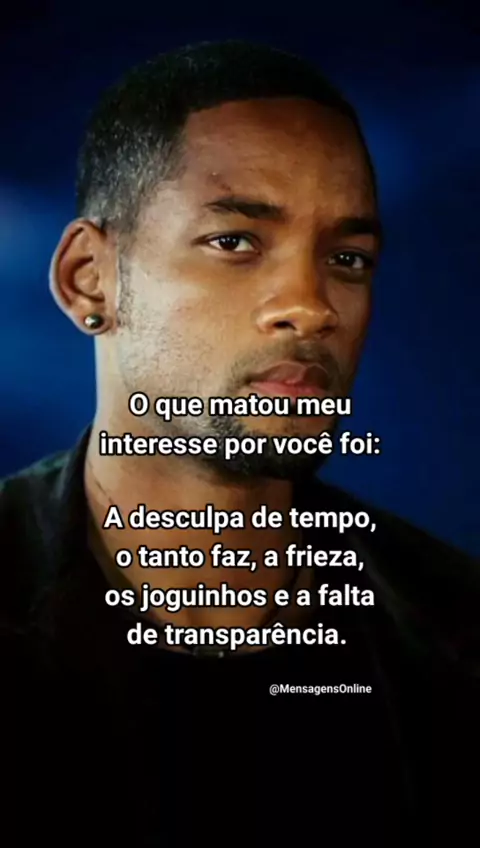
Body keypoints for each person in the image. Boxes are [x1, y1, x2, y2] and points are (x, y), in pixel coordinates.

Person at [1, 39, 478, 846]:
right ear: (90, 278)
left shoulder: (456, 640)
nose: (310, 305)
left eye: (348, 258)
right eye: (235, 242)